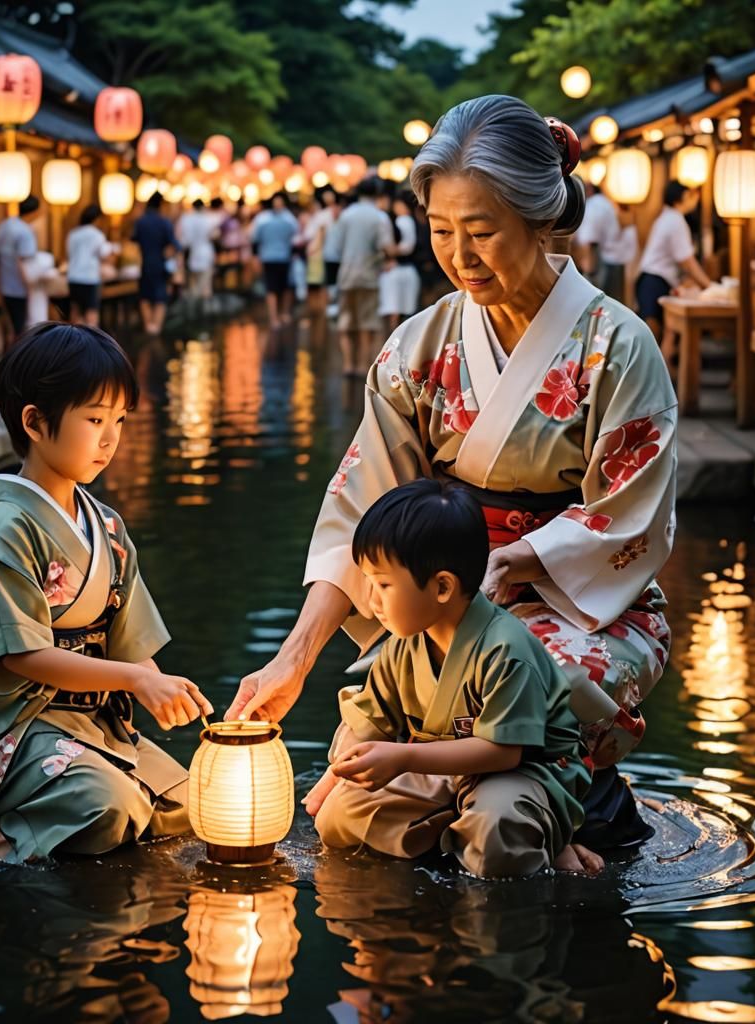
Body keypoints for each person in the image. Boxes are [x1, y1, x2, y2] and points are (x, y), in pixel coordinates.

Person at [228, 95, 679, 853]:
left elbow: (627, 516)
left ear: (540, 219)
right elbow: (364, 513)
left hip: (581, 605)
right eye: (441, 231)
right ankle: (471, 822)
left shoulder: (619, 346)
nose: (460, 256)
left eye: (482, 231)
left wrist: (513, 560)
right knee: (352, 774)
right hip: (446, 599)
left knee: (538, 678)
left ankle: (559, 809)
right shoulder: (417, 348)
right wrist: (292, 658)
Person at [0, 322, 212, 863]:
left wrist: (162, 688)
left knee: (191, 805)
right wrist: (134, 680)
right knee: (109, 808)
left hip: (91, 722)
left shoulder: (106, 526)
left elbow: (130, 640)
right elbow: (20, 656)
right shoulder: (5, 533)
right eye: (94, 419)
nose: (110, 438)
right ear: (35, 423)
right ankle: (5, 834)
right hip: (17, 731)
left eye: (120, 420)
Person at [304, 480, 595, 876]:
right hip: (442, 772)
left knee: (497, 836)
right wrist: (334, 780)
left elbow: (503, 753)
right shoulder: (403, 646)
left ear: (442, 586)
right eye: (368, 582)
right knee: (339, 816)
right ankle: (454, 833)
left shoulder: (506, 649)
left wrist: (403, 757)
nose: (371, 600)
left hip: (522, 774)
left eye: (383, 584)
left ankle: (544, 835)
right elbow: (371, 722)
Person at [635, 181, 712, 361]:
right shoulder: (675, 220)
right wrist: (710, 286)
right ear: (682, 197)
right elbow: (687, 261)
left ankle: (660, 374)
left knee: (664, 335)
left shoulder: (667, 217)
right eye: (691, 195)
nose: (694, 200)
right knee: (653, 337)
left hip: (650, 280)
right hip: (654, 282)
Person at [334, 178, 394, 375]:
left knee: (346, 321)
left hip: (346, 275)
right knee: (367, 322)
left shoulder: (346, 215)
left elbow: (336, 247)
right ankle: (362, 365)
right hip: (369, 275)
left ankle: (347, 364)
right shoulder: (379, 217)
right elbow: (386, 246)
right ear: (377, 194)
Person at [0, 195, 41, 341]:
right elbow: (22, 261)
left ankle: (7, 353)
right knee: (20, 328)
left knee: (8, 325)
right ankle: (19, 354)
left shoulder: (2, 226)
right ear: (34, 212)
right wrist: (29, 285)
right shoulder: (25, 231)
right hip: (19, 286)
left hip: (2, 283)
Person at [132, 192, 178, 335]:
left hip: (145, 264)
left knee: (145, 296)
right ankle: (156, 328)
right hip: (160, 264)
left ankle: (148, 326)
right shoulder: (164, 222)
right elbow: (175, 245)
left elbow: (133, 240)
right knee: (160, 297)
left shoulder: (141, 222)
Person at [250, 192, 299, 327]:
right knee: (271, 288)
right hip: (269, 258)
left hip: (285, 258)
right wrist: (255, 256)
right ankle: (273, 317)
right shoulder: (263, 219)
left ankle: (284, 313)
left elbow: (295, 238)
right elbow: (255, 239)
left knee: (285, 287)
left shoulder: (288, 219)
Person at [574, 183, 626, 301]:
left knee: (600, 306)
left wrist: (588, 275)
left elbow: (590, 242)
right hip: (612, 262)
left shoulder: (594, 205)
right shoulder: (604, 203)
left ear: (589, 190)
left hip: (602, 265)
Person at [378, 193, 422, 332]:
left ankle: (394, 338)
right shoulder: (412, 221)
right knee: (402, 310)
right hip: (407, 270)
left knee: (394, 309)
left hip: (398, 270)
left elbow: (406, 246)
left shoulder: (403, 220)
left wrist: (390, 251)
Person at [66, 204, 114, 329]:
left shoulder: (73, 234)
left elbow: (69, 253)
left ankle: (74, 336)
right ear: (97, 219)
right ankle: (91, 337)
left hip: (73, 276)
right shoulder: (97, 235)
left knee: (76, 309)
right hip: (89, 277)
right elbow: (105, 255)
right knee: (91, 311)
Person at [175, 199, 217, 314]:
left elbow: (182, 239)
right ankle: (201, 307)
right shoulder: (208, 219)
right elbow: (214, 234)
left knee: (195, 280)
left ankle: (196, 308)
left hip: (192, 254)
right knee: (205, 283)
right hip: (205, 253)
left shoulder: (186, 219)